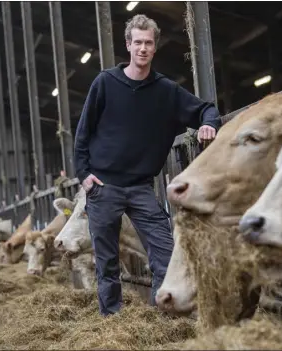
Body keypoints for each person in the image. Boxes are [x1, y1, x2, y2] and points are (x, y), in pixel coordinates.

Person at [73, 14, 222, 317]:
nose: (142, 48)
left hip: (141, 186)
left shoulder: (165, 91)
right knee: (107, 263)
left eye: (148, 43)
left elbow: (206, 109)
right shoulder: (105, 82)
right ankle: (112, 324)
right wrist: (84, 175)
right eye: (137, 42)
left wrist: (208, 125)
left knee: (164, 251)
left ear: (155, 48)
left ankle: (162, 318)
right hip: (104, 186)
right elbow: (83, 132)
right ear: (128, 45)